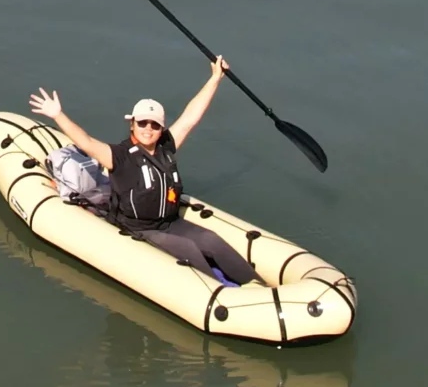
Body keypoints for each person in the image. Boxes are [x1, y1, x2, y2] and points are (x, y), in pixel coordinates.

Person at [27, 57, 258, 287]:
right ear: (132, 124)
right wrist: (58, 114)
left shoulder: (166, 146)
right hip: (139, 228)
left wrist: (215, 79)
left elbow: (190, 118)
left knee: (211, 239)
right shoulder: (119, 155)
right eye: (143, 123)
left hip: (169, 222)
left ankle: (257, 285)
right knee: (188, 249)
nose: (148, 129)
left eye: (155, 125)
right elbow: (85, 142)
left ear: (161, 128)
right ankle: (226, 292)